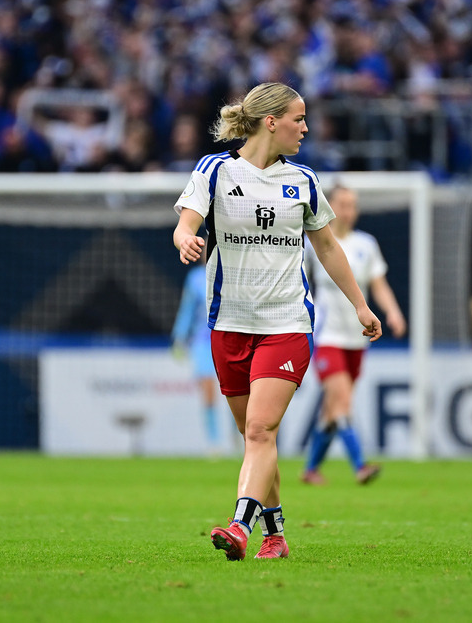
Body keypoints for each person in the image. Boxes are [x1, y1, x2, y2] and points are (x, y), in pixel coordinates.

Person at [172, 82, 381, 561]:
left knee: (262, 431)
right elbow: (187, 219)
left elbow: (328, 246)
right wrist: (186, 237)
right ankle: (276, 533)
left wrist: (360, 305)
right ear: (271, 122)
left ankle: (239, 527)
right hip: (228, 324)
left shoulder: (304, 181)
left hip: (287, 324)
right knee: (255, 438)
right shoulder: (215, 170)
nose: (306, 128)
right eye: (298, 119)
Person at [300, 185, 406, 486]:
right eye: (343, 204)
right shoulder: (315, 243)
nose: (349, 210)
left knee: (333, 411)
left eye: (353, 204)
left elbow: (378, 284)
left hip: (356, 339)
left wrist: (393, 311)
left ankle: (310, 470)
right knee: (342, 401)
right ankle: (360, 465)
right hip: (327, 337)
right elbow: (301, 283)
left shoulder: (366, 244)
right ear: (330, 207)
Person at [170, 260, 224, 456]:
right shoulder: (195, 278)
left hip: (229, 338)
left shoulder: (233, 272)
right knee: (209, 392)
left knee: (239, 392)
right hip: (203, 342)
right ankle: (214, 443)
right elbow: (188, 309)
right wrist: (179, 337)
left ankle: (241, 438)